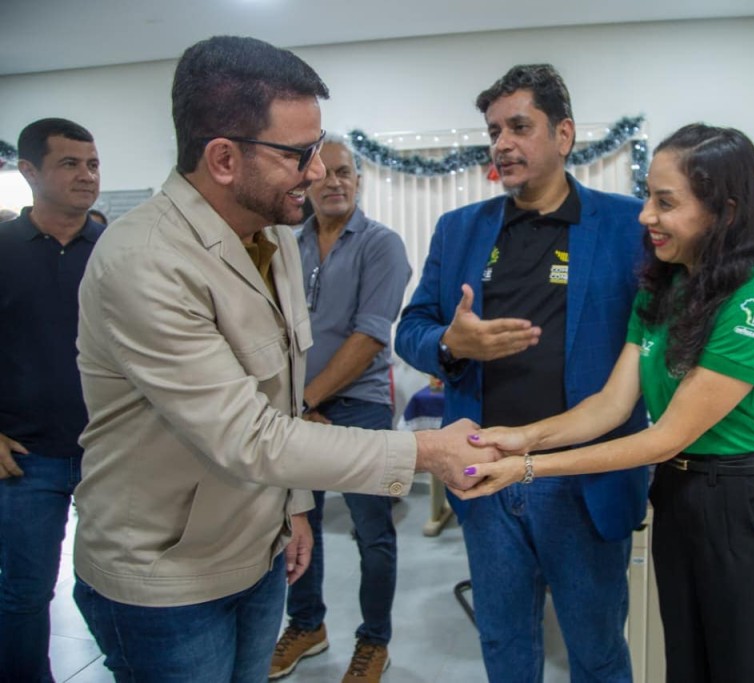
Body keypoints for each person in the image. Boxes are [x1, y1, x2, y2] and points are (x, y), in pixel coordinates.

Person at [71, 35, 494, 683]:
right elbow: (248, 434)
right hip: (168, 579)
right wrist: (427, 451)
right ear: (223, 158)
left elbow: (285, 391)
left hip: (256, 550)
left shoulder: (271, 238)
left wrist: (292, 505)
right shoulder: (146, 260)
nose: (318, 172)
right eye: (298, 154)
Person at [396, 66, 754, 682]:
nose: (502, 143)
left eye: (519, 127)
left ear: (563, 134)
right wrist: (451, 345)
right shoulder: (460, 230)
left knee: (599, 651)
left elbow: (735, 287)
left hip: (592, 485)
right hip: (490, 468)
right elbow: (411, 330)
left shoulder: (628, 226)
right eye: (493, 131)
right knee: (506, 644)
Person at [270, 138, 411, 682]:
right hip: (297, 409)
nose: (334, 182)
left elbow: (370, 335)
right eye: (323, 173)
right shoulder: (287, 245)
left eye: (345, 172)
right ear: (305, 182)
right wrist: (294, 406)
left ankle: (374, 641)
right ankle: (307, 626)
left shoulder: (381, 244)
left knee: (372, 534)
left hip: (360, 409)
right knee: (296, 523)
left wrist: (306, 401)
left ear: (358, 180)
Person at [0, 117, 103, 683]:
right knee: (24, 591)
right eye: (70, 164)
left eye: (92, 164)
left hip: (108, 454)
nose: (87, 175)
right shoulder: (3, 250)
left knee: (116, 587)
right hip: (24, 459)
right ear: (29, 171)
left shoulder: (115, 252)